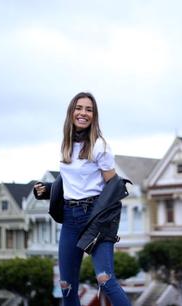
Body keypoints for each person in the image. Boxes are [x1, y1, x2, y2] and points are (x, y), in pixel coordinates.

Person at [34, 92, 131, 306]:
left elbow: (113, 186)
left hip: (95, 218)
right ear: (71, 112)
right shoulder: (66, 145)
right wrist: (48, 189)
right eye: (79, 108)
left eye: (89, 109)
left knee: (105, 280)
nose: (83, 113)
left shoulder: (99, 146)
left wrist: (105, 224)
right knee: (66, 285)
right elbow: (72, 183)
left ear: (93, 116)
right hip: (70, 218)